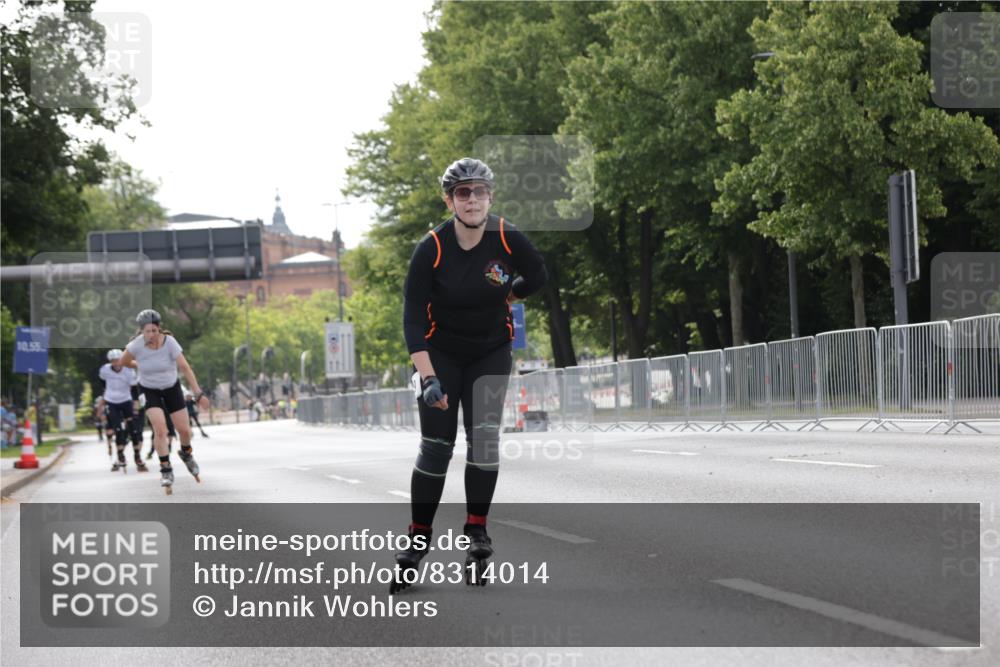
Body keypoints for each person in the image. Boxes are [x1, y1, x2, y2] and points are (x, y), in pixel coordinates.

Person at [391, 158, 547, 590]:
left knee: (484, 440)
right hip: (441, 354)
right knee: (437, 447)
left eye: (479, 192)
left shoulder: (506, 236)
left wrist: (513, 292)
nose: (472, 200)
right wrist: (428, 378)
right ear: (450, 201)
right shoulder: (432, 248)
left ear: (490, 197)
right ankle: (417, 538)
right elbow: (412, 320)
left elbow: (538, 274)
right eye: (463, 193)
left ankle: (477, 529)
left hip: (490, 353)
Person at [115, 309, 210, 494]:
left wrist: (198, 393)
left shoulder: (170, 343)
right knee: (160, 430)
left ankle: (186, 453)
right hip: (148, 390)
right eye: (147, 331)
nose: (151, 335)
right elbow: (124, 361)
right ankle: (166, 469)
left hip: (171, 387)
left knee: (184, 430)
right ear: (141, 331)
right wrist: (138, 364)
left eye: (154, 330)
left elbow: (184, 367)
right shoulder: (136, 345)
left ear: (159, 328)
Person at [99, 349, 146, 472]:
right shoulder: (104, 370)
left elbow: (134, 389)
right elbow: (103, 384)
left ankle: (137, 455)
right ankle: (120, 455)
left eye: (118, 360)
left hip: (126, 400)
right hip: (111, 401)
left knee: (133, 430)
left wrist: (135, 405)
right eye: (113, 361)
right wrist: (104, 400)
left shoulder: (128, 371)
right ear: (110, 361)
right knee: (118, 429)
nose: (116, 363)